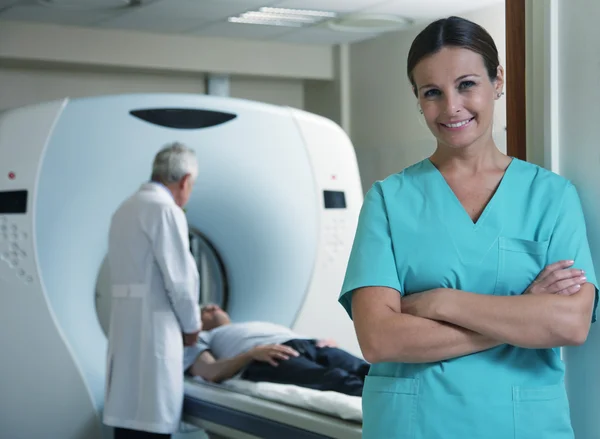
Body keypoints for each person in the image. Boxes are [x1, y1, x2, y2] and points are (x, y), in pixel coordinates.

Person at [338, 16, 598, 439]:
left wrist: (442, 301)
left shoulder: (551, 197)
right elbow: (380, 339)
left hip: (523, 427)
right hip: (414, 427)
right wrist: (521, 317)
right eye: (432, 93)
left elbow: (570, 323)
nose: (451, 107)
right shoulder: (389, 200)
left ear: (497, 81)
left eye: (466, 85)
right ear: (418, 99)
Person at [103, 142, 202, 439]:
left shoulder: (125, 208)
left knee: (128, 420)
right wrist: (192, 327)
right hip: (156, 331)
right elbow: (181, 281)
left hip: (125, 330)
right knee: (151, 420)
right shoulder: (165, 211)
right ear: (185, 180)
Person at [184, 304, 369, 396]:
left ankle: (396, 392)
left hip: (309, 344)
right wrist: (251, 354)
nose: (210, 307)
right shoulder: (201, 338)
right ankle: (389, 408)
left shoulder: (249, 323)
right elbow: (209, 371)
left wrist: (318, 341)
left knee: (367, 369)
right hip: (265, 358)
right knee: (336, 379)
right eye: (203, 310)